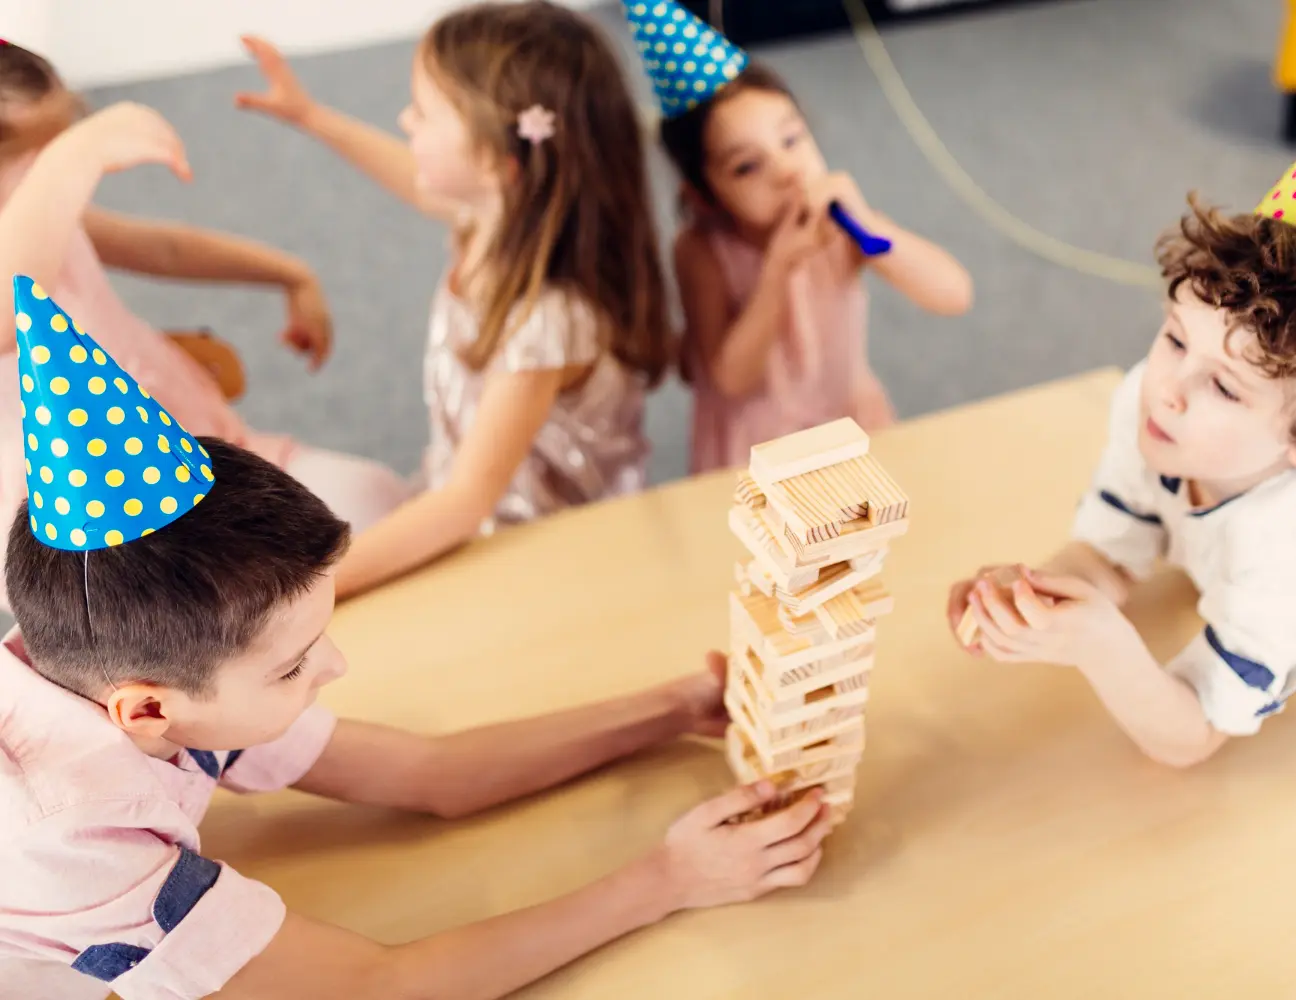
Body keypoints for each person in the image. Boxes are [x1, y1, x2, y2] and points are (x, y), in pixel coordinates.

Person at [0, 105, 831, 1000]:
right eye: (292, 666)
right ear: (148, 713)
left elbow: (432, 777)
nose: (337, 662)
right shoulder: (76, 837)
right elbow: (381, 988)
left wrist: (676, 706)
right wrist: (668, 880)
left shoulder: (138, 670)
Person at [947, 40, 1296, 767]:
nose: (1167, 390)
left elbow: (1190, 735)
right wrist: (1031, 598)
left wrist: (1101, 646)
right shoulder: (1152, 408)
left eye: (1224, 387)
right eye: (1177, 339)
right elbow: (1113, 555)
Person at [236, 1, 675, 600]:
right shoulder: (498, 214)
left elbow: (465, 504)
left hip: (528, 546)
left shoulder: (544, 320)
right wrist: (312, 116)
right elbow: (414, 179)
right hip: (470, 489)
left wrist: (306, 590)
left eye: (423, 113)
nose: (404, 121)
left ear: (500, 162)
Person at [0, 39, 411, 572]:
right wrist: (68, 162)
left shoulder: (46, 218)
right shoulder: (29, 227)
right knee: (275, 587)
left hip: (195, 449)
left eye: (61, 146)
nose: (64, 173)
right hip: (102, 534)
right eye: (38, 156)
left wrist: (288, 273)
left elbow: (163, 248)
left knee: (377, 501)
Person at [624, 0, 973, 473]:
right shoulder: (701, 251)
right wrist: (778, 271)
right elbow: (730, 379)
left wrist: (871, 229)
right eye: (747, 167)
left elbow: (953, 294)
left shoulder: (843, 226)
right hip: (755, 446)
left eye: (792, 140)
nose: (787, 171)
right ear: (704, 195)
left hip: (846, 419)